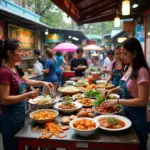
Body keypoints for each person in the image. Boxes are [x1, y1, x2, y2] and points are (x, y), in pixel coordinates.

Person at [0, 38, 54, 150]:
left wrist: (43, 82)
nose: (21, 53)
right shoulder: (4, 72)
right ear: (9, 53)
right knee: (12, 146)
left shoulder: (15, 68)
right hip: (9, 118)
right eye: (19, 51)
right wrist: (27, 95)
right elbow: (4, 99)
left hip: (19, 114)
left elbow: (27, 81)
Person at [103, 38, 149, 150]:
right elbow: (124, 86)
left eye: (125, 53)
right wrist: (111, 91)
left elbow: (142, 100)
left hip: (138, 116)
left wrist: (118, 101)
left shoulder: (141, 71)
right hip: (127, 112)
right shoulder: (128, 67)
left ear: (134, 53)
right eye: (121, 53)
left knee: (137, 146)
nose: (122, 57)